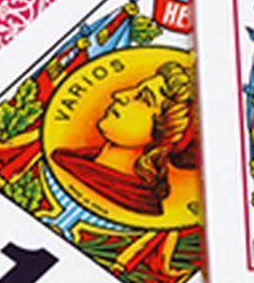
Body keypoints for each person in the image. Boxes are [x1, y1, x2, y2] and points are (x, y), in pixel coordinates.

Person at [50, 60, 198, 216]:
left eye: (143, 98)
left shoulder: (135, 202)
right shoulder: (69, 159)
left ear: (167, 133)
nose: (119, 95)